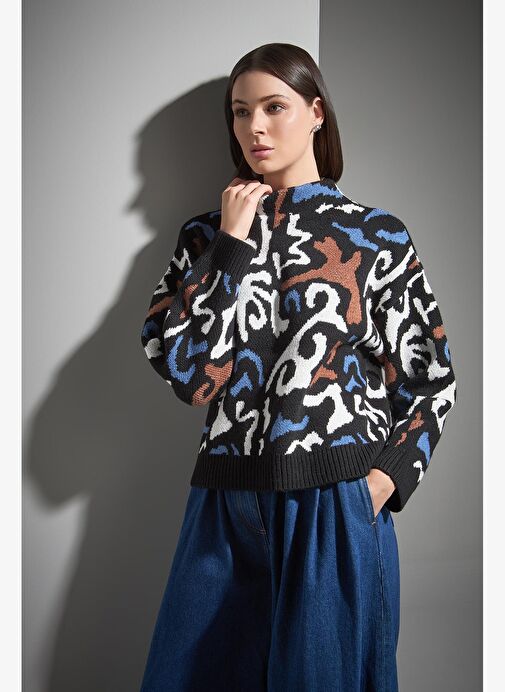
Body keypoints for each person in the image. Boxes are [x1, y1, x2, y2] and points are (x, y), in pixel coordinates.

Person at [138, 42, 457, 692]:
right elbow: (192, 376)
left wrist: (380, 483)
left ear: (315, 113)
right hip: (223, 505)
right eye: (240, 111)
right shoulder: (204, 237)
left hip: (332, 504)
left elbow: (431, 380)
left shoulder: (376, 236)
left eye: (273, 107)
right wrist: (231, 245)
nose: (254, 127)